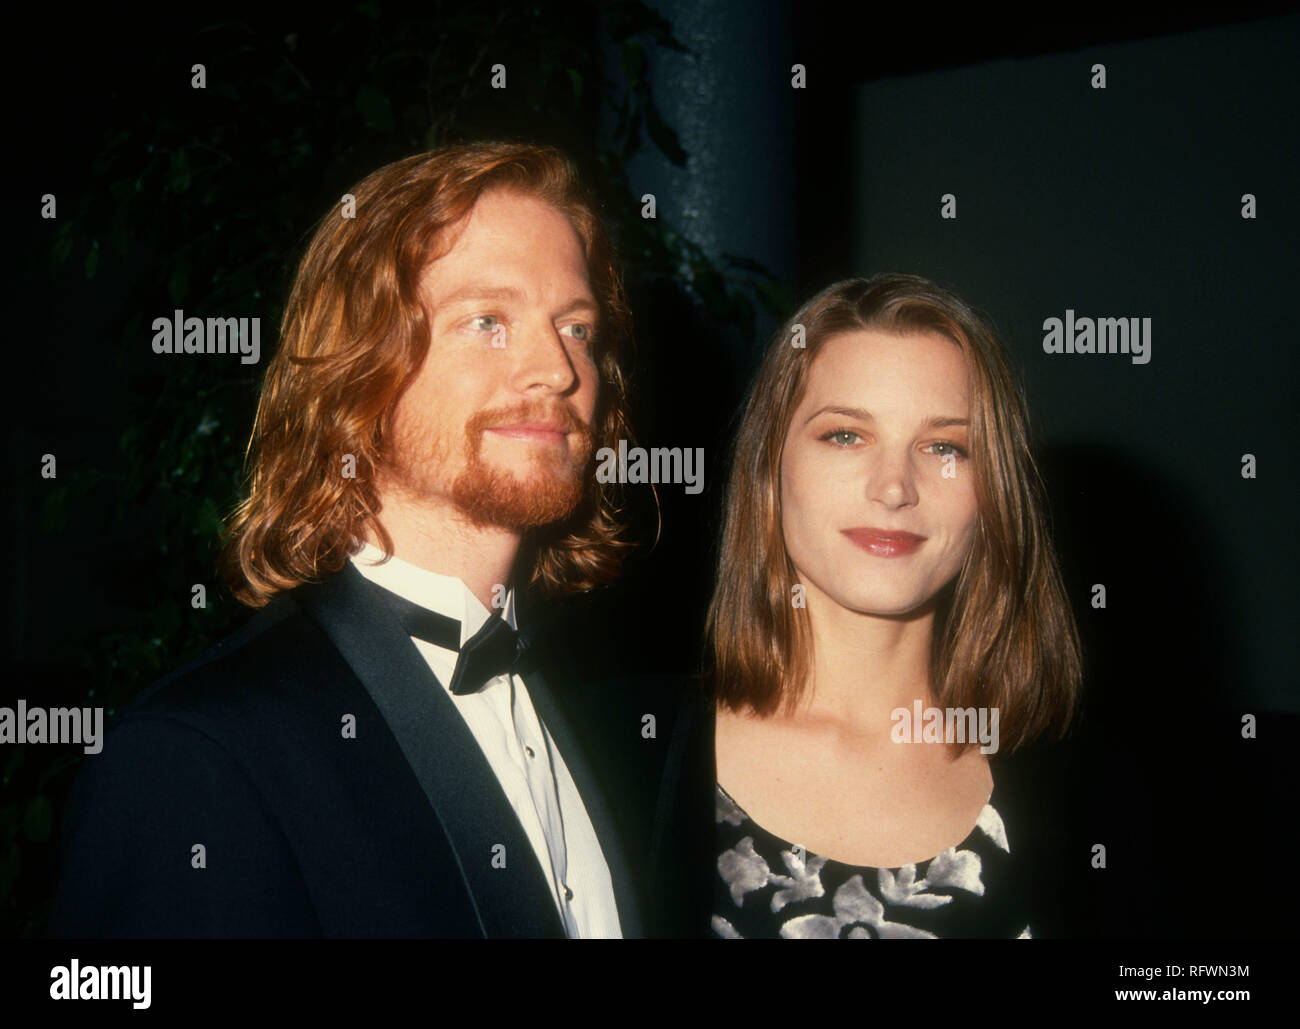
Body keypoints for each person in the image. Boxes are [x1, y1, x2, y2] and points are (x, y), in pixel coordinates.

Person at [48, 141, 663, 938]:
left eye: (577, 327)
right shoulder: (195, 757)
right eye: (488, 320)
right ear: (358, 364)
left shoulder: (605, 720)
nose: (557, 368)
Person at [652, 273, 1084, 938]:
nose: (893, 487)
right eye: (845, 435)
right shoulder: (629, 761)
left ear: (993, 491)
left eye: (945, 447)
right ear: (771, 469)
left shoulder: (1090, 791)